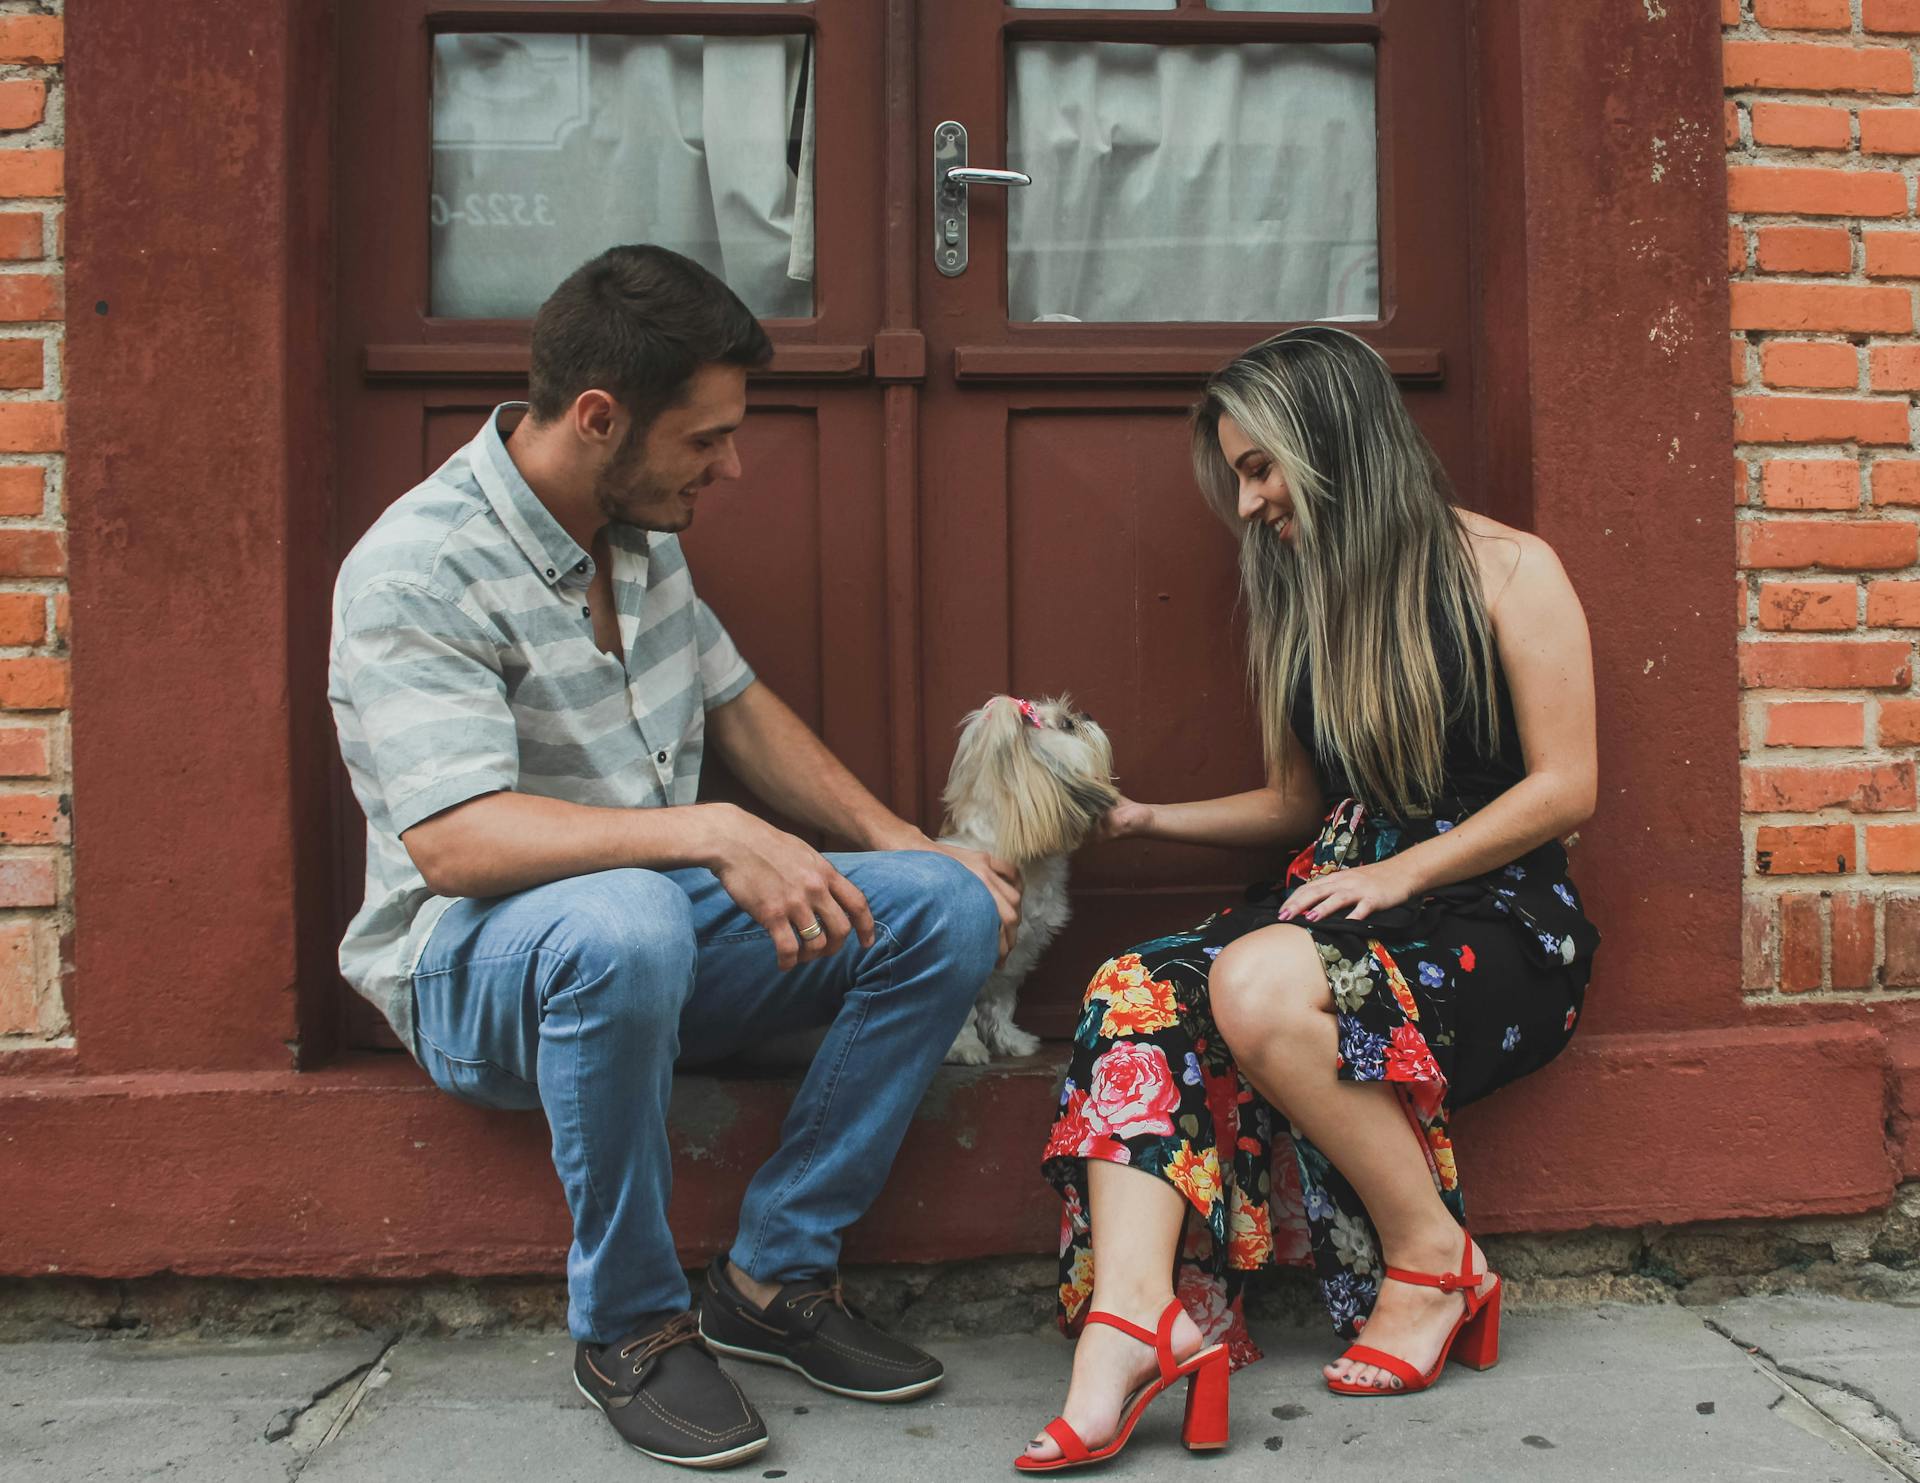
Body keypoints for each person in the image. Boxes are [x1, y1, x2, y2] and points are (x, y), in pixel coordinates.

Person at [328, 244, 1019, 1471]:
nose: (732, 465)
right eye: (706, 439)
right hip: (481, 977)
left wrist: (915, 848)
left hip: (653, 945)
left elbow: (740, 706)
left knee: (942, 912)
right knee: (629, 918)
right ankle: (631, 1328)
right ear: (601, 418)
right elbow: (452, 839)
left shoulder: (637, 532)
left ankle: (774, 1278)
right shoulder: (420, 567)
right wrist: (706, 830)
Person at [1020, 327, 1600, 1469]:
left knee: (1258, 980)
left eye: (1258, 468)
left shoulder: (1511, 569)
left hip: (1492, 916)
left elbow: (1568, 787)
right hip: (1333, 900)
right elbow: (1298, 804)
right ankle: (1132, 1324)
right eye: (1239, 474)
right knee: (1132, 983)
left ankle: (1436, 1260)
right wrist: (1142, 819)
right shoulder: (1304, 604)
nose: (1246, 505)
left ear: (1331, 444)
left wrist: (1400, 871)